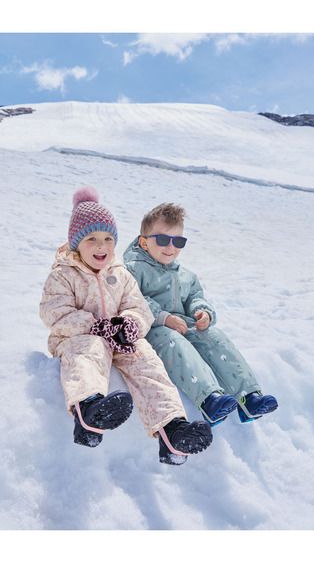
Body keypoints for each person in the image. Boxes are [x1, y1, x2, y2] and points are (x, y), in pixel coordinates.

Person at [39, 187, 213, 465]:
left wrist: (128, 325)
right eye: (92, 238)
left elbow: (138, 307)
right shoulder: (63, 275)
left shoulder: (120, 273)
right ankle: (90, 410)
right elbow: (54, 314)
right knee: (90, 348)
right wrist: (96, 326)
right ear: (76, 243)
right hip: (77, 339)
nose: (101, 246)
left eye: (108, 238)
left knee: (146, 359)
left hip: (118, 340)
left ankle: (173, 431)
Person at [123, 202, 278, 426]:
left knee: (215, 338)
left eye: (178, 241)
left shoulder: (185, 274)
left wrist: (201, 311)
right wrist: (165, 318)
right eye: (164, 240)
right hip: (154, 330)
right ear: (144, 242)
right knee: (174, 341)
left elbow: (195, 296)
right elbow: (132, 298)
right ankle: (209, 401)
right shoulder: (132, 269)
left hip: (185, 325)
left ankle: (249, 397)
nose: (171, 247)